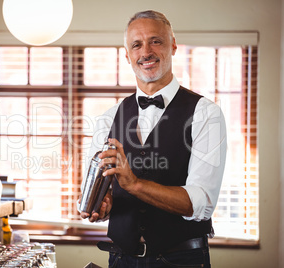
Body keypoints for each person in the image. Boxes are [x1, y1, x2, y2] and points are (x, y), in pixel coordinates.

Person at [80, 10, 227, 268]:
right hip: (120, 259)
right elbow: (99, 193)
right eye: (136, 44)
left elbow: (201, 203)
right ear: (127, 55)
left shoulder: (206, 113)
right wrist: (103, 208)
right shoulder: (108, 118)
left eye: (155, 41)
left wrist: (135, 184)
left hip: (181, 260)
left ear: (173, 46)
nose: (146, 51)